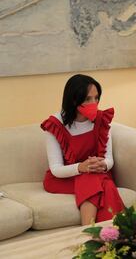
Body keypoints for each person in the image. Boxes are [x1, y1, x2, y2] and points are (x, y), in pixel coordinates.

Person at [41, 74, 124, 225]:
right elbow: (56, 169)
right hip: (64, 178)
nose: (94, 103)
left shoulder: (102, 119)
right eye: (87, 99)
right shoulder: (55, 124)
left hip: (95, 173)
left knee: (96, 179)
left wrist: (103, 165)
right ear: (74, 100)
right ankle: (115, 234)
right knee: (94, 179)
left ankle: (93, 236)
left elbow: (109, 159)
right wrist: (81, 167)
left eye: (96, 98)